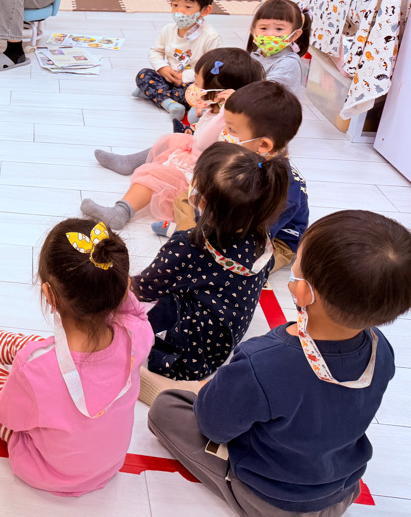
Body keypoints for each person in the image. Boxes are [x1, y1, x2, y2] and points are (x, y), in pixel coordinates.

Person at [148, 210, 411, 516]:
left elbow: (213, 426)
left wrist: (216, 390)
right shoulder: (383, 349)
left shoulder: (263, 361)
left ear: (303, 290)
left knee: (166, 407)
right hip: (342, 489)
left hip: (272, 500)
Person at [0, 218, 153, 497]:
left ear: (48, 294)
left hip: (45, 470)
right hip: (109, 465)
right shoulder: (138, 334)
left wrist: (9, 374)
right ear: (122, 286)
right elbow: (136, 314)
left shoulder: (33, 366)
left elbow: (10, 418)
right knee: (37, 348)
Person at [133, 143, 291, 401]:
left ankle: (153, 378)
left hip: (184, 354)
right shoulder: (261, 240)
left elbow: (143, 288)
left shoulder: (188, 246)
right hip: (221, 343)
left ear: (203, 200)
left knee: (123, 310)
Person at [83, 48, 264, 230]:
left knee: (153, 176)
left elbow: (203, 143)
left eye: (198, 84)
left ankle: (120, 212)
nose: (192, 88)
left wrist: (223, 113)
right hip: (201, 156)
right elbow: (200, 134)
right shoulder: (218, 111)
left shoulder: (228, 120)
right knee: (175, 139)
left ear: (219, 93)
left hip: (204, 175)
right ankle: (130, 162)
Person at [154, 81, 309, 269]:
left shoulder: (283, 191)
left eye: (232, 130)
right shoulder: (244, 154)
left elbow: (257, 237)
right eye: (226, 126)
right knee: (184, 199)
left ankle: (196, 238)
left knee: (249, 266)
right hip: (233, 214)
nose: (225, 133)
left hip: (271, 239)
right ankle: (193, 236)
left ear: (263, 145)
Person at [134, 0, 221, 120]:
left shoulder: (211, 37)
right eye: (175, 5)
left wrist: (184, 77)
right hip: (169, 78)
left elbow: (211, 69)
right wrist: (162, 68)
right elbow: (155, 52)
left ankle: (155, 95)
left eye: (187, 7)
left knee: (198, 92)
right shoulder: (169, 29)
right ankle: (170, 104)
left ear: (205, 10)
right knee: (143, 74)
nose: (179, 12)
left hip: (191, 83)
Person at [246, 0, 312, 94]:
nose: (270, 34)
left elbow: (264, 92)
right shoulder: (255, 55)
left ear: (294, 35)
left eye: (279, 29)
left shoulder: (289, 63)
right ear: (253, 31)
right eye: (263, 28)